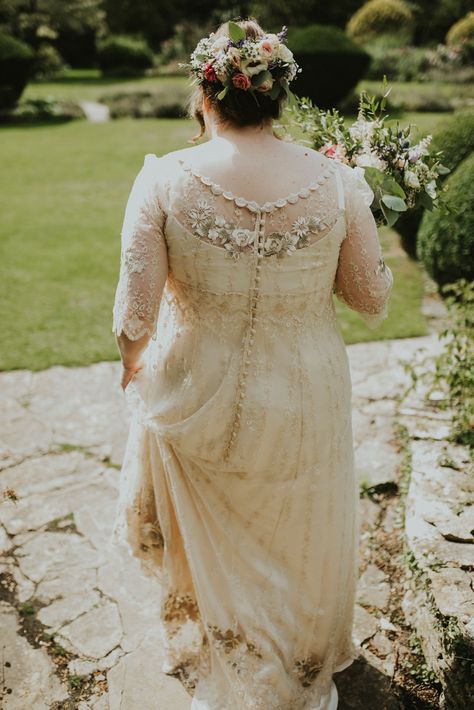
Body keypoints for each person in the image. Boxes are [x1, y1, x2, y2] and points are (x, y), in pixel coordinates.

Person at [110, 17, 393, 710]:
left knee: (219, 538)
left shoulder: (163, 180)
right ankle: (296, 673)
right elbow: (372, 300)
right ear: (280, 96)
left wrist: (134, 366)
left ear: (203, 96)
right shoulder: (337, 183)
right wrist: (348, 221)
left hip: (195, 385)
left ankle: (233, 672)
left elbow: (133, 319)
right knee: (296, 527)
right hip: (305, 385)